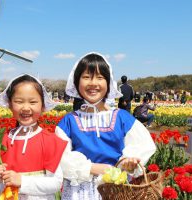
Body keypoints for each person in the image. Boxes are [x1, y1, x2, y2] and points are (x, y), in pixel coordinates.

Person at [55, 52, 156, 199]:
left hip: (116, 188)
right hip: (80, 190)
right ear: (76, 83)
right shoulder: (68, 121)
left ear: (108, 83)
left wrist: (129, 162)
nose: (93, 83)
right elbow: (61, 158)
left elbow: (143, 145)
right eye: (86, 77)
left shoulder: (121, 118)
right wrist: (92, 168)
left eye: (100, 77)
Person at [0, 74, 68, 200]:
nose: (26, 108)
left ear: (42, 105)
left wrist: (21, 181)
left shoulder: (50, 141)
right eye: (19, 102)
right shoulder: (0, 140)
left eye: (33, 102)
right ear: (10, 105)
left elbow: (55, 183)